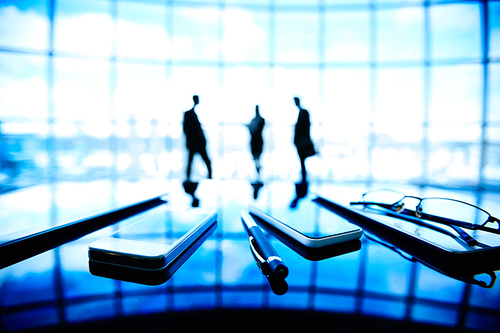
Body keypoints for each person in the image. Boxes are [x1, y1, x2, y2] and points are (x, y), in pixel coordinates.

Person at [183, 95, 212, 181]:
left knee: (192, 162)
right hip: (195, 143)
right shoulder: (189, 114)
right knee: (199, 161)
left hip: (197, 143)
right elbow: (187, 129)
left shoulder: (192, 114)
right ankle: (189, 179)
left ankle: (189, 179)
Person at [293, 97, 316, 182]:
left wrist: (304, 139)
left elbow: (306, 127)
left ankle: (304, 175)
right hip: (299, 141)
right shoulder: (301, 113)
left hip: (302, 141)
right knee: (301, 159)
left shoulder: (304, 113)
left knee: (302, 158)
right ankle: (303, 174)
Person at [248, 105, 265, 176]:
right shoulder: (256, 120)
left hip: (257, 141)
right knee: (256, 157)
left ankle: (258, 171)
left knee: (257, 157)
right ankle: (258, 171)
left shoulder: (260, 120)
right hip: (255, 141)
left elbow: (255, 130)